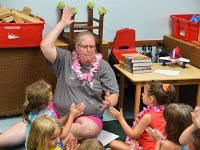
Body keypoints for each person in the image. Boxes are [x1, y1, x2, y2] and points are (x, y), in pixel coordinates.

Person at [0, 7, 119, 148]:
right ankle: (44, 134)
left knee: (89, 129)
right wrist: (62, 23)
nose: (90, 50)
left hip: (87, 118)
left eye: (92, 47)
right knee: (30, 125)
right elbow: (45, 46)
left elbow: (114, 94)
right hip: (57, 113)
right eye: (85, 46)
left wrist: (109, 102)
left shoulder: (103, 66)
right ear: (77, 48)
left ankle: (44, 133)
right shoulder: (65, 58)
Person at [109, 80, 175, 150]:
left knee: (113, 144)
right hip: (160, 147)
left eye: (144, 93)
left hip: (147, 148)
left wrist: (120, 118)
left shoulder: (148, 116)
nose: (142, 94)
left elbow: (132, 135)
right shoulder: (166, 111)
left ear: (151, 99)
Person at [23, 79, 85, 148]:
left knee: (70, 135)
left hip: (38, 144)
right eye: (51, 96)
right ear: (45, 102)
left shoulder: (35, 110)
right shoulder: (42, 118)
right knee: (70, 136)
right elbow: (62, 135)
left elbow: (56, 123)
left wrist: (70, 114)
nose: (53, 96)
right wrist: (71, 116)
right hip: (45, 146)